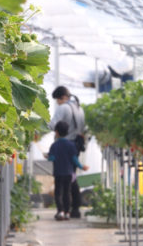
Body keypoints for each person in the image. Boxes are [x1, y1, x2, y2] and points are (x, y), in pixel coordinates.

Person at [49, 86, 86, 218]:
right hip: (75, 145)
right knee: (72, 177)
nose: (57, 103)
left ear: (62, 97)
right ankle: (75, 208)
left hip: (63, 146)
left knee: (62, 182)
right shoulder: (79, 108)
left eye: (57, 100)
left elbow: (53, 125)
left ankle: (63, 209)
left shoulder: (63, 107)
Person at [47, 121, 88, 221]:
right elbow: (74, 160)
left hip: (58, 173)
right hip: (69, 173)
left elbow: (51, 158)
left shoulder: (54, 145)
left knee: (58, 193)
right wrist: (82, 166)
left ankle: (60, 211)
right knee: (67, 193)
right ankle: (67, 213)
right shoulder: (71, 145)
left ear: (56, 132)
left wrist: (48, 156)